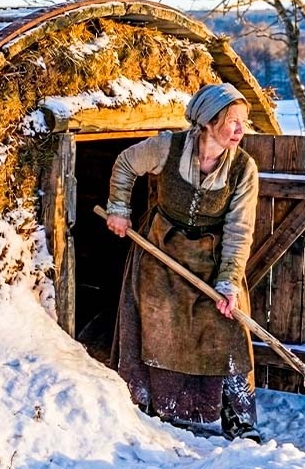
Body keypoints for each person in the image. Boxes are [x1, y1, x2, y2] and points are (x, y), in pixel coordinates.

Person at [105, 82, 261, 442]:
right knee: (157, 324)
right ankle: (149, 406)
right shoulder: (167, 147)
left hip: (212, 257)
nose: (241, 129)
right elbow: (126, 163)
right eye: (233, 120)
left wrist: (228, 281)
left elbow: (240, 229)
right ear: (208, 121)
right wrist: (118, 209)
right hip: (161, 249)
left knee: (227, 329)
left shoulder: (243, 168)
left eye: (244, 121)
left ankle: (237, 418)